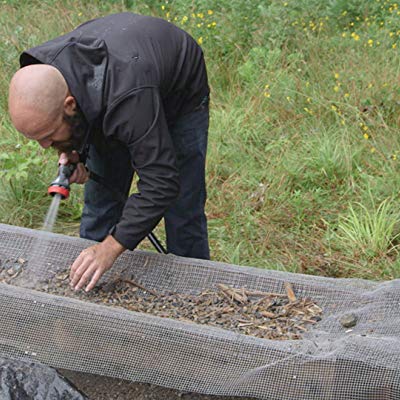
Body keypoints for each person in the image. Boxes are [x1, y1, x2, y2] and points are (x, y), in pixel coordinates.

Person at [8, 12, 210, 292]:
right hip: (123, 80)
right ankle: (87, 282)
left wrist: (112, 247)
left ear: (69, 105)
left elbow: (161, 183)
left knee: (181, 205)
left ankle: (193, 292)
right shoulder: (51, 71)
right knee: (101, 204)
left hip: (178, 90)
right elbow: (83, 113)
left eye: (47, 136)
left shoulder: (128, 99)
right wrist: (72, 148)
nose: (44, 146)